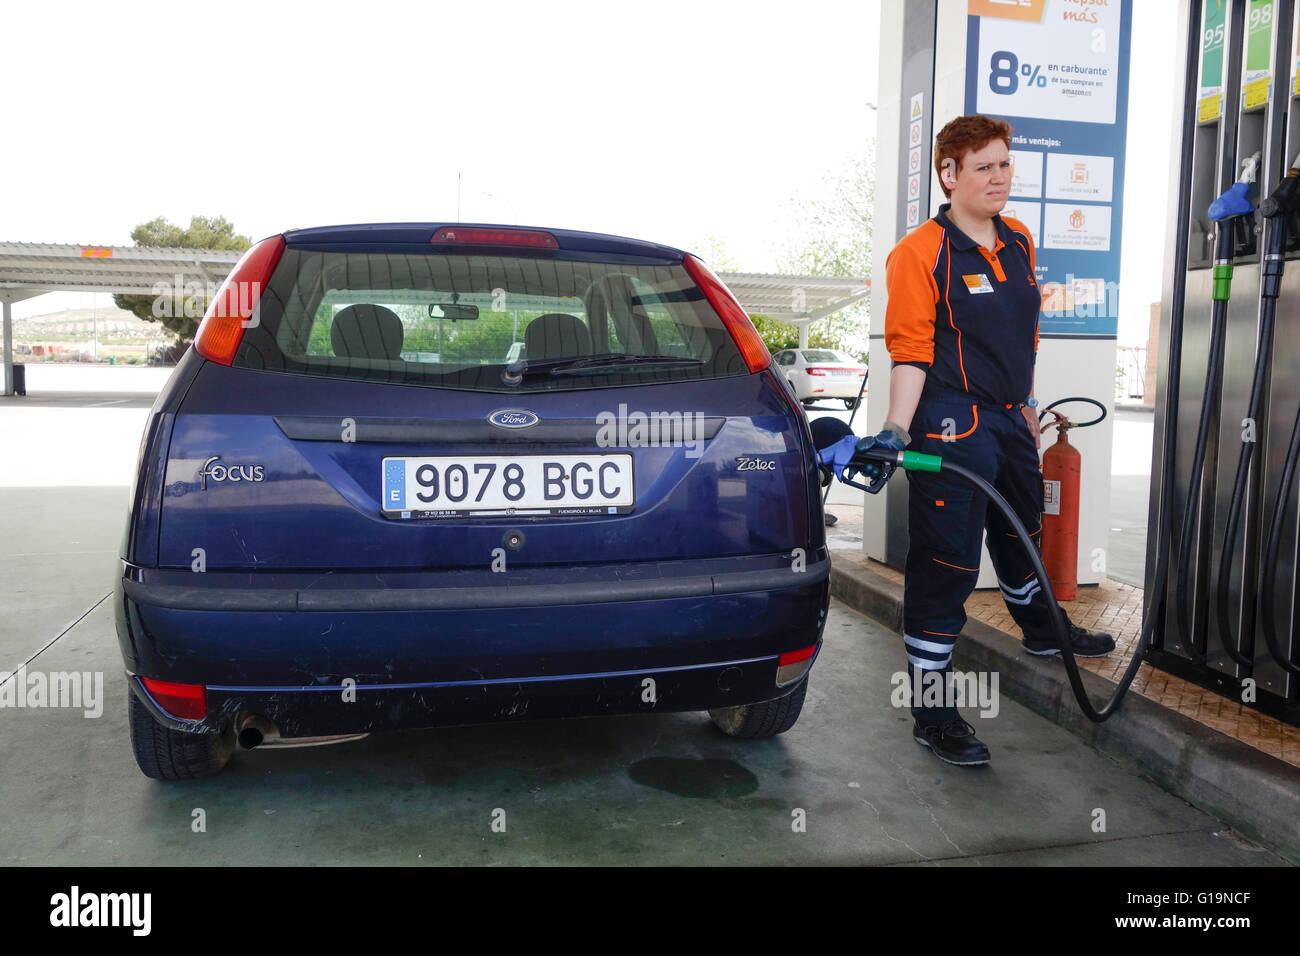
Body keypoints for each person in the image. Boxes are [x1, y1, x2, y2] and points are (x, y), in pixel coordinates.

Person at [828, 114, 1115, 767]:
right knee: (949, 563)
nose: (999, 177)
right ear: (949, 175)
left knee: (1021, 535)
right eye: (984, 166)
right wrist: (898, 431)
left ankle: (1044, 634)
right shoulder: (920, 251)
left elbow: (1024, 335)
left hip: (1013, 420)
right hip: (952, 423)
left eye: (1005, 164)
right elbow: (911, 350)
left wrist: (1029, 407)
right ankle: (933, 712)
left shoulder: (1017, 239)